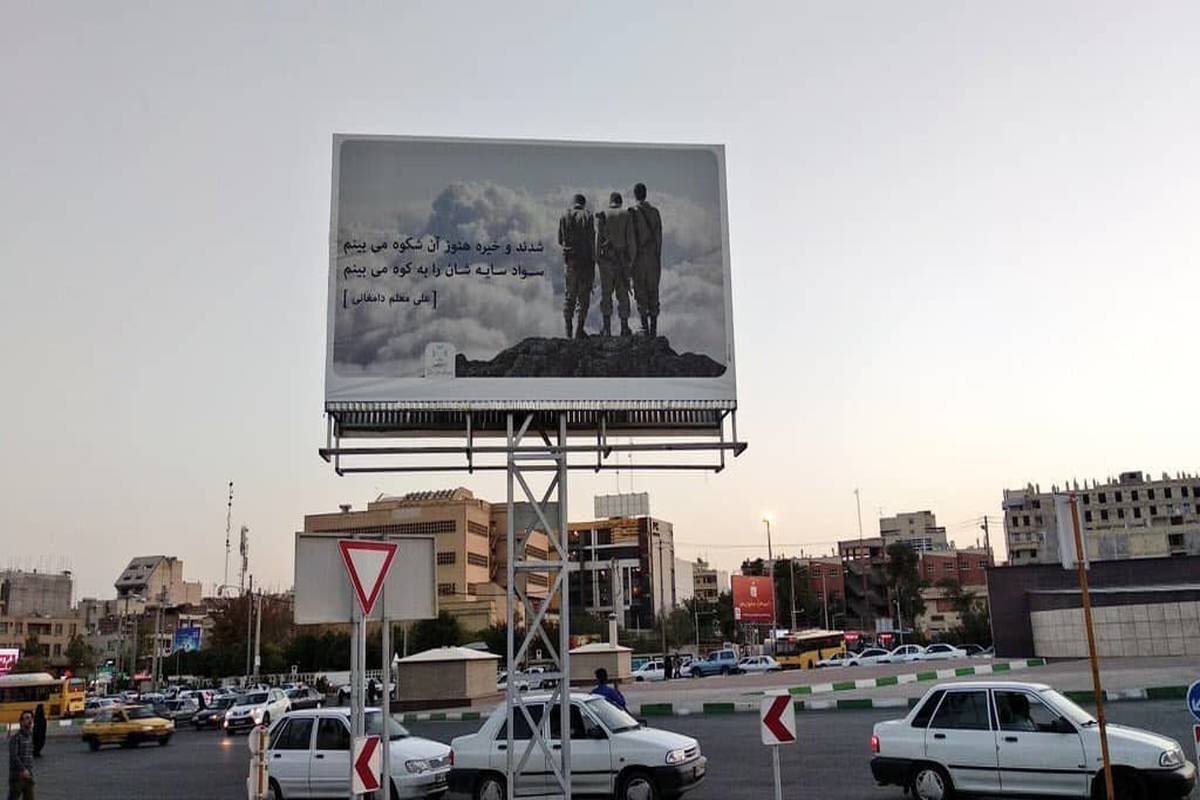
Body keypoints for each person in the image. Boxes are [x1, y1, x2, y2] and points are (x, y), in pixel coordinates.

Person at [594, 191, 637, 336]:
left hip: (606, 261)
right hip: (622, 262)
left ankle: (607, 329)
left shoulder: (603, 215)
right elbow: (631, 241)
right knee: (623, 294)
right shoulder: (626, 215)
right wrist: (631, 261)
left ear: (610, 201)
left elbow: (598, 239)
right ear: (620, 202)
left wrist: (598, 259)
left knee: (606, 294)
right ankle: (624, 328)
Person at [556, 193, 595, 339]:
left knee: (570, 296)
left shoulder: (564, 216)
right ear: (584, 204)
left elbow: (560, 240)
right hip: (585, 262)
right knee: (583, 298)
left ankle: (568, 332)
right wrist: (593, 260)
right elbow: (591, 240)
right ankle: (579, 329)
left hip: (570, 262)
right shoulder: (588, 216)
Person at [629, 182, 663, 337]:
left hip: (639, 259)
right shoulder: (655, 213)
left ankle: (645, 328)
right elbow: (659, 239)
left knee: (641, 293)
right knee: (653, 292)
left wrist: (630, 263)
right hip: (653, 258)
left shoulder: (632, 213)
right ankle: (654, 330)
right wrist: (657, 258)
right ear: (646, 194)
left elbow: (631, 241)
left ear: (635, 195)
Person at [7, 709, 34, 800]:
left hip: (29, 776)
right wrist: (23, 769)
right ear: (21, 722)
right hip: (17, 777)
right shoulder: (16, 738)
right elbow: (14, 756)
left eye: (31, 718)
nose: (30, 720)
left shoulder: (30, 737)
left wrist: (29, 771)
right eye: (27, 718)